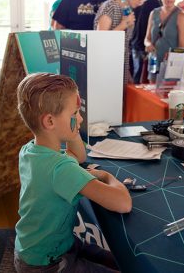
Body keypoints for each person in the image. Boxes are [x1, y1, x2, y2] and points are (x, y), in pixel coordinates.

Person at [14, 73, 132, 272]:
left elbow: (77, 156)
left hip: (43, 248)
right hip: (46, 264)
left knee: (122, 262)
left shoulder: (30, 150)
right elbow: (123, 203)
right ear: (50, 122)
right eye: (74, 114)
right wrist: (106, 177)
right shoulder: (61, 169)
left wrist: (72, 129)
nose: (81, 118)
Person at [94, 0, 153, 86]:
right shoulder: (110, 6)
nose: (141, 2)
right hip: (105, 71)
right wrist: (123, 24)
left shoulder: (126, 8)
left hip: (120, 71)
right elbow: (99, 42)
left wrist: (127, 74)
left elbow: (124, 46)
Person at [144, 0, 184, 81]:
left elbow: (183, 47)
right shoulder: (153, 13)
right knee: (151, 94)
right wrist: (148, 44)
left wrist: (172, 54)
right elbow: (147, 39)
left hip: (172, 66)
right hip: (154, 63)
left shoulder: (181, 15)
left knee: (167, 94)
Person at [130, 0, 161, 84]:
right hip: (144, 45)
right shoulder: (156, 4)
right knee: (142, 79)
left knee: (136, 76)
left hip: (135, 42)